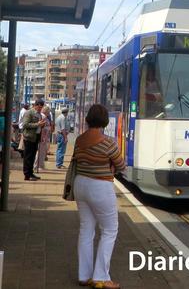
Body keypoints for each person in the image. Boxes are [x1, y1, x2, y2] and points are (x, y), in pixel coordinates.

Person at [73, 104, 125, 289]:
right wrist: (109, 166)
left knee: (86, 229)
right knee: (110, 230)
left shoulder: (79, 140)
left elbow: (78, 160)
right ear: (104, 120)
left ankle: (84, 275)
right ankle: (101, 278)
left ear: (88, 118)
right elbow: (121, 166)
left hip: (80, 185)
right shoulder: (108, 142)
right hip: (100, 187)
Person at [22, 100, 46, 181]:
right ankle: (27, 174)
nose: (40, 109)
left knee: (32, 156)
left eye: (41, 107)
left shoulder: (39, 114)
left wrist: (42, 125)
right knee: (28, 156)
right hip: (29, 137)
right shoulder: (29, 113)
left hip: (36, 138)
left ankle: (31, 173)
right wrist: (38, 124)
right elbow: (25, 124)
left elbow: (39, 125)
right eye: (39, 107)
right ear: (35, 105)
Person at [34, 106, 52, 171]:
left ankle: (40, 165)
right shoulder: (43, 116)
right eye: (48, 111)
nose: (49, 113)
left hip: (44, 137)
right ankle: (37, 166)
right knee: (40, 152)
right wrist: (43, 137)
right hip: (42, 137)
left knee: (42, 152)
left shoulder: (45, 117)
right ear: (46, 111)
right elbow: (42, 128)